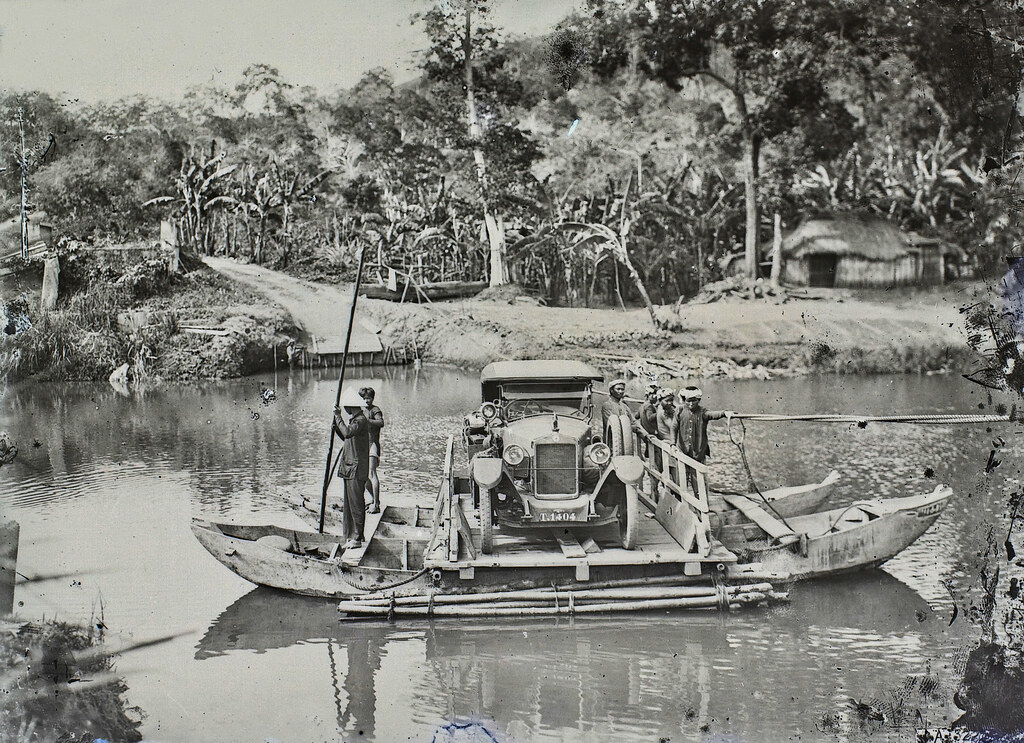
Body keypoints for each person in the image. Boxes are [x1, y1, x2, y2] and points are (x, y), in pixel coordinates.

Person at [674, 386, 732, 494]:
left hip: (698, 453)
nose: (691, 404)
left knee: (698, 482)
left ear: (698, 400)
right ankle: (681, 503)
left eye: (694, 401)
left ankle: (701, 506)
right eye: (688, 401)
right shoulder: (680, 410)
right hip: (683, 452)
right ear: (684, 400)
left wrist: (724, 413)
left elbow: (713, 414)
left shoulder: (702, 412)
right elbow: (674, 427)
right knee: (682, 480)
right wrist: (673, 444)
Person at [333, 387, 371, 549]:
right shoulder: (354, 420)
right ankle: (352, 535)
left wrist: (338, 417)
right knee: (349, 504)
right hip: (349, 467)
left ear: (350, 407)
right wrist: (336, 425)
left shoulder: (360, 420)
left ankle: (357, 536)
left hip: (356, 468)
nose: (345, 410)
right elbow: (345, 437)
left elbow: (348, 433)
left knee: (356, 503)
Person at [359, 386, 384, 514]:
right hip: (362, 447)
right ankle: (374, 500)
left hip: (372, 445)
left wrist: (367, 421)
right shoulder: (361, 410)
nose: (367, 401)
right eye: (364, 399)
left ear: (372, 398)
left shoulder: (375, 410)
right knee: (363, 476)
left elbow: (381, 422)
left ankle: (376, 504)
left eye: (369, 398)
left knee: (372, 473)